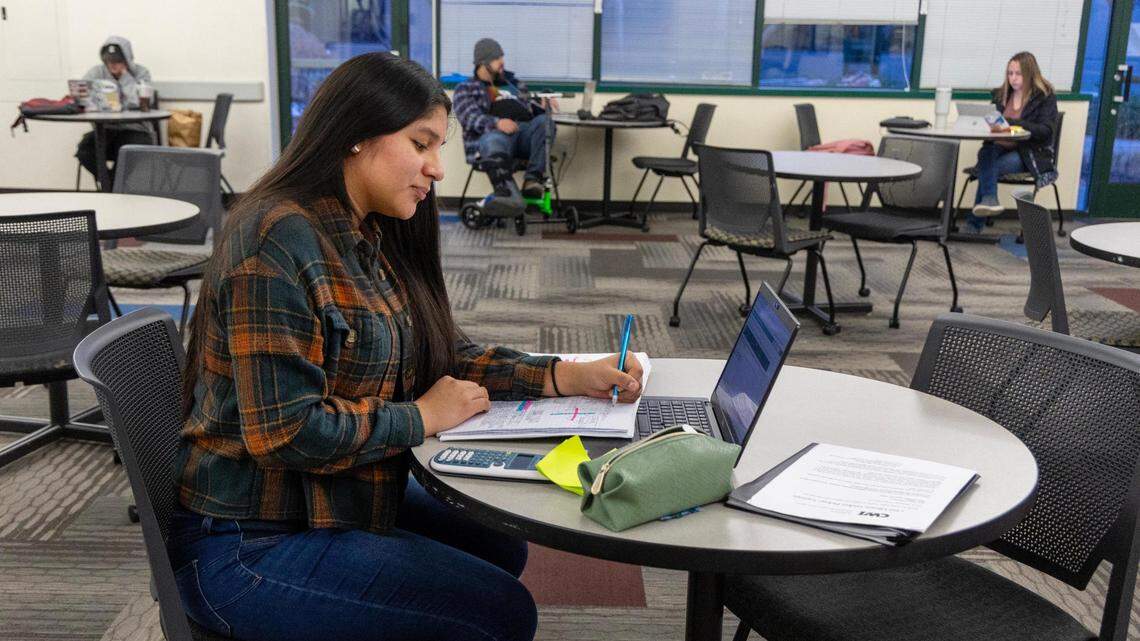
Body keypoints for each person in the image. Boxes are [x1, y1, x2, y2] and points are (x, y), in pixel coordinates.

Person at [169, 52, 643, 641]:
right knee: (502, 613)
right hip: (249, 541)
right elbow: (286, 433)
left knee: (499, 544)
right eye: (421, 144)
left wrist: (560, 375)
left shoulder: (361, 228)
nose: (438, 169)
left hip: (326, 497)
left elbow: (431, 352)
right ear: (356, 136)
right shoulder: (275, 241)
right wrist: (421, 417)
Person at [967, 51, 1059, 231]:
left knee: (988, 167)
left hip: (1028, 153)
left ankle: (975, 222)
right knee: (985, 153)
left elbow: (1045, 131)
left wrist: (1013, 123)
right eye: (1010, 73)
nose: (1013, 78)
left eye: (1018, 74)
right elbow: (994, 121)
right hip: (999, 146)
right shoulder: (1001, 95)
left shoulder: (1044, 97)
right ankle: (989, 200)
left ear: (1030, 74)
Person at [453, 38, 553, 199]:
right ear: (483, 62)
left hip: (523, 134)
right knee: (492, 141)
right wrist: (497, 123)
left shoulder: (515, 85)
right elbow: (469, 118)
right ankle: (510, 198)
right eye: (496, 58)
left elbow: (533, 111)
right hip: (495, 137)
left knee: (545, 123)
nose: (502, 61)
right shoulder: (466, 88)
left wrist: (545, 103)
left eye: (501, 57)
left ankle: (532, 180)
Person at [75, 36, 154, 186]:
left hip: (135, 129)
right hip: (105, 129)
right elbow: (82, 97)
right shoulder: (96, 72)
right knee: (85, 149)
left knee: (131, 151)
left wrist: (125, 77)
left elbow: (138, 102)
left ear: (127, 59)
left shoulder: (141, 73)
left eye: (117, 61)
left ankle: (112, 187)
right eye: (109, 60)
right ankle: (110, 185)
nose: (113, 64)